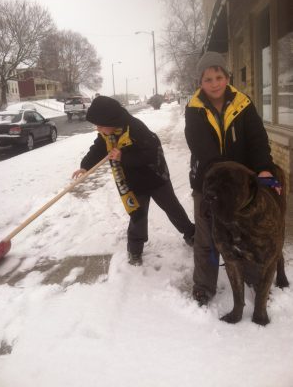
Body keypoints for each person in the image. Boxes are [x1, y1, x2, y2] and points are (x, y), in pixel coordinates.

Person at [184, 51, 276, 305]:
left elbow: (257, 139)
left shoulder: (243, 103)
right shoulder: (194, 109)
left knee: (247, 232)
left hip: (241, 186)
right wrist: (223, 176)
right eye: (207, 79)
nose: (214, 83)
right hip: (208, 181)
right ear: (200, 83)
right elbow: (200, 146)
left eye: (218, 76)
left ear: (227, 76)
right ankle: (204, 285)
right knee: (207, 235)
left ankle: (253, 275)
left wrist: (264, 167)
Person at [73, 95, 195, 266]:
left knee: (172, 208)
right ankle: (135, 250)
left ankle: (191, 234)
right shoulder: (107, 134)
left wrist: (123, 156)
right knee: (137, 215)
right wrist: (85, 166)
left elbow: (150, 154)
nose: (98, 129)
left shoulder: (136, 128)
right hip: (134, 182)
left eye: (100, 125)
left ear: (111, 120)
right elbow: (98, 149)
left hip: (156, 177)